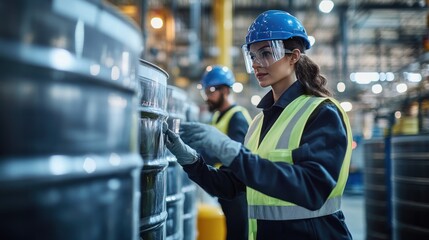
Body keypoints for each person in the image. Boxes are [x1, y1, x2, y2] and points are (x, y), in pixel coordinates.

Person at [164, 10, 353, 240]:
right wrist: (191, 161)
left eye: (266, 53)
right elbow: (233, 186)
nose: (256, 64)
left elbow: (312, 188)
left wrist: (231, 151)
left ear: (294, 56)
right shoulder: (259, 122)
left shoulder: (322, 113)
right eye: (252, 56)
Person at [197, 65, 252, 240]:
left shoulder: (237, 117)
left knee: (238, 234)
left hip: (238, 190)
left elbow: (236, 154)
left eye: (212, 90)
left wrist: (202, 157)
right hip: (224, 185)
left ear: (226, 90)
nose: (208, 96)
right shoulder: (216, 117)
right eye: (206, 91)